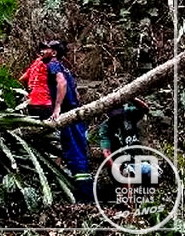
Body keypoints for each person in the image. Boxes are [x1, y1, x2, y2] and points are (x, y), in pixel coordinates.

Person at [41, 39, 94, 202]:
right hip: (76, 115)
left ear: (54, 53)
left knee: (74, 153)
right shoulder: (66, 69)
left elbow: (61, 83)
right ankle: (87, 193)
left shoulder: (53, 65)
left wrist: (57, 108)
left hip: (67, 116)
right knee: (79, 151)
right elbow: (76, 94)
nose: (42, 52)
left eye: (46, 49)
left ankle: (85, 197)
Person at [99, 98, 154, 184]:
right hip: (120, 164)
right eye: (114, 116)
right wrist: (116, 169)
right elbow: (106, 152)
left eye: (119, 115)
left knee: (153, 173)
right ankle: (127, 196)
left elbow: (145, 109)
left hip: (137, 161)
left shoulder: (129, 114)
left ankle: (146, 195)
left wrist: (131, 98)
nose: (118, 118)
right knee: (127, 174)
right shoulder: (106, 127)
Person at [19, 49, 53, 120]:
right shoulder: (52, 65)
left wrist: (29, 91)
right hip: (45, 104)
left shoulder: (35, 64)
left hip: (31, 103)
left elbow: (22, 79)